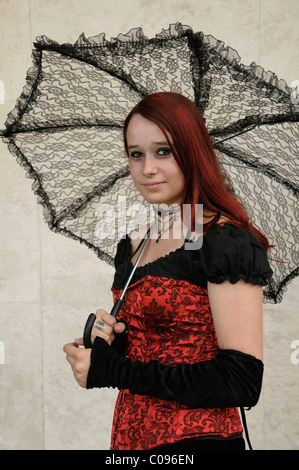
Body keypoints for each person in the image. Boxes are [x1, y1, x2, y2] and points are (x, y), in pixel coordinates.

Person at [63, 92, 273, 451]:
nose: (147, 169)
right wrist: (109, 347)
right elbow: (159, 345)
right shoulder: (137, 241)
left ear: (192, 152)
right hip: (129, 442)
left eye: (163, 151)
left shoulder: (224, 240)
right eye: (135, 154)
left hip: (198, 442)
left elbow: (240, 381)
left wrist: (114, 372)